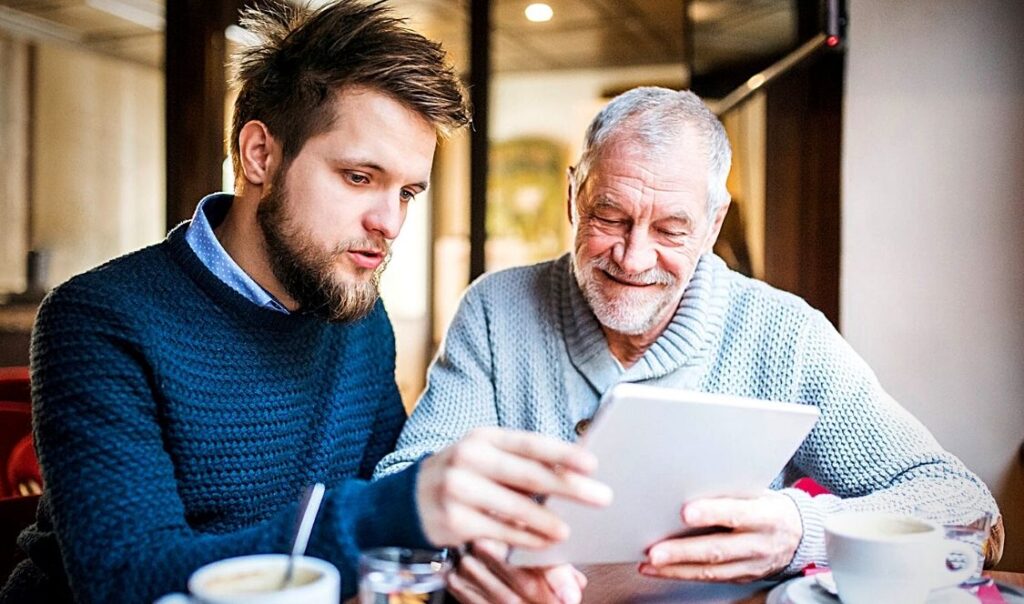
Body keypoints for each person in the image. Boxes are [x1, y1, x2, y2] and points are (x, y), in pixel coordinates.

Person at [0, 2, 612, 602]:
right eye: (359, 178)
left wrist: (480, 564)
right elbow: (127, 580)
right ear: (260, 154)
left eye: (408, 192)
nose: (390, 221)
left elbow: (388, 526)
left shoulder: (360, 318)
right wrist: (400, 509)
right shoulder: (98, 318)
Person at [375, 87, 1002, 604]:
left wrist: (801, 531)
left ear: (713, 223)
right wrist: (468, 553)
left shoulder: (784, 334)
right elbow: (406, 483)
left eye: (671, 229)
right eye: (609, 217)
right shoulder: (497, 308)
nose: (633, 257)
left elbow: (966, 506)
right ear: (573, 195)